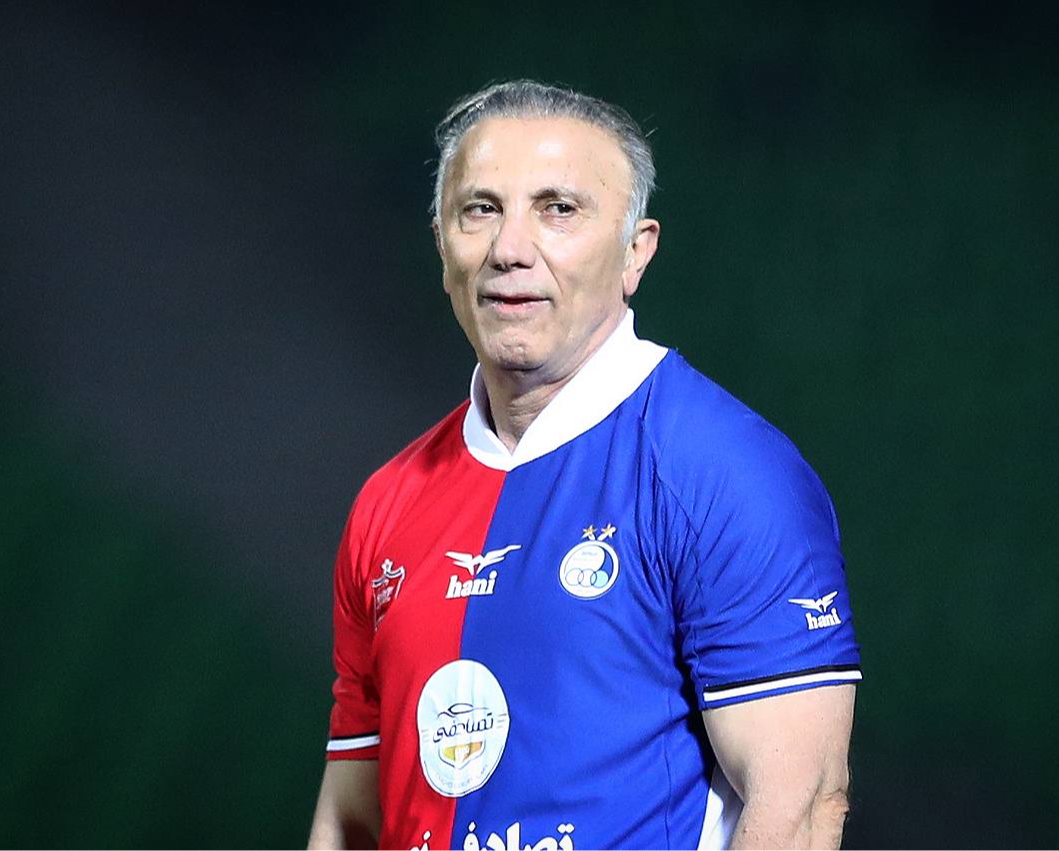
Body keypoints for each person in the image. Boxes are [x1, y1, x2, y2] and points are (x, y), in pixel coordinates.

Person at [307, 80, 861, 851]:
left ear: (635, 252)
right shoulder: (387, 501)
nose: (509, 249)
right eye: (480, 209)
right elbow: (349, 818)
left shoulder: (723, 472)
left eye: (557, 209)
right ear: (441, 246)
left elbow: (799, 806)